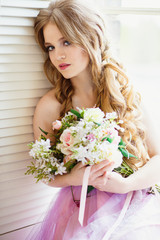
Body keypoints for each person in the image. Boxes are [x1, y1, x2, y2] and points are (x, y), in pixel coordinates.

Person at [26, 0, 160, 239]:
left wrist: (126, 185)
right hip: (81, 209)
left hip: (134, 203)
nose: (59, 55)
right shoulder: (51, 106)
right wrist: (75, 177)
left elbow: (157, 158)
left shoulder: (124, 92)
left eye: (66, 41)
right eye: (50, 47)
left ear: (90, 38)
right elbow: (46, 173)